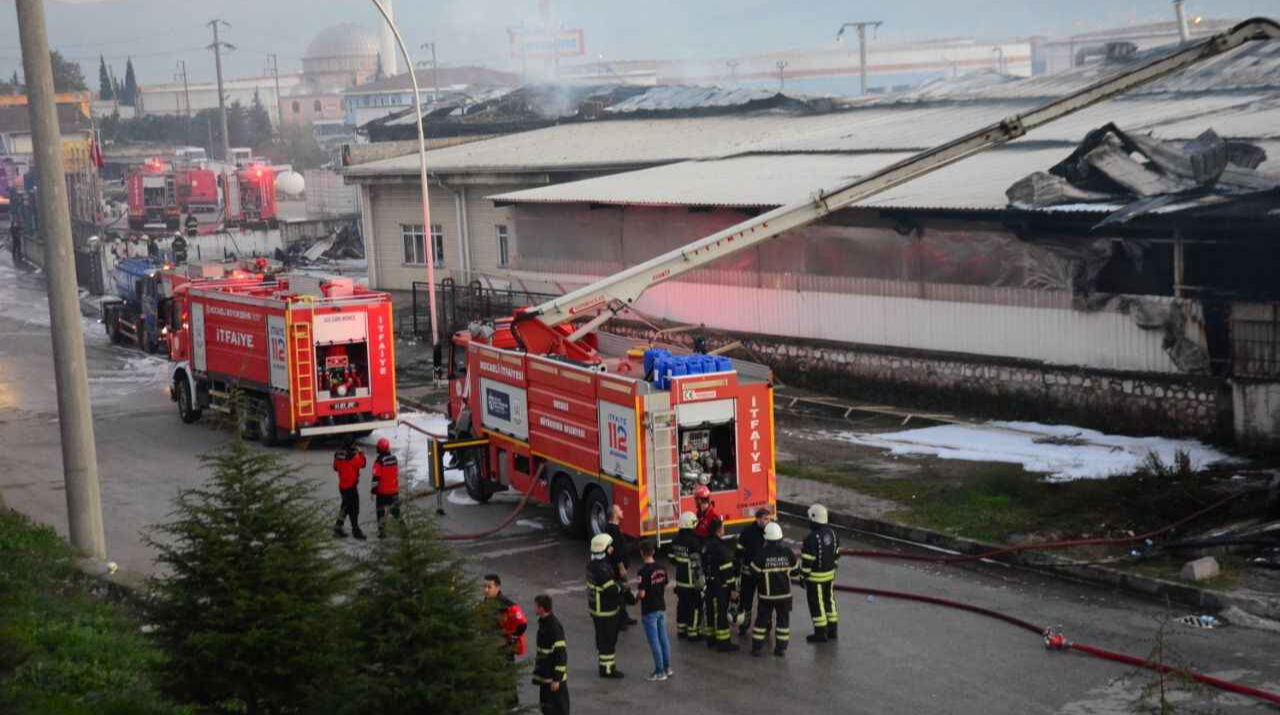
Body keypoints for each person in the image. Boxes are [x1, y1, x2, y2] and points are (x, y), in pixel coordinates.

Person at [750, 521, 797, 658]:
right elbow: (795, 571)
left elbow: (754, 572)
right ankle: (781, 648)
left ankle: (757, 648)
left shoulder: (762, 553)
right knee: (783, 621)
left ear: (766, 537)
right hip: (784, 595)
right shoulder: (787, 552)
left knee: (762, 621)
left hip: (766, 596)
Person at [484, 573, 528, 709]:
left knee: (507, 679)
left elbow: (522, 623)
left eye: (489, 587)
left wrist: (510, 640)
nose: (485, 590)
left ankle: (512, 707)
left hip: (503, 650)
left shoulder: (506, 604)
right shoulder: (486, 602)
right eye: (484, 586)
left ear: (497, 587)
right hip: (490, 647)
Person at [801, 503, 840, 643]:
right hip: (830, 576)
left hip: (815, 578)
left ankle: (820, 633)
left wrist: (803, 577)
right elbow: (837, 554)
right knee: (829, 601)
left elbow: (807, 562)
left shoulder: (810, 538)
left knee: (817, 604)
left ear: (814, 518)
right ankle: (832, 630)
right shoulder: (833, 534)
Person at [586, 533, 624, 678]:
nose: (612, 549)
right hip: (606, 610)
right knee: (608, 640)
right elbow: (611, 590)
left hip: (597, 609)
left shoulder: (592, 565)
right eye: (610, 547)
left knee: (603, 640)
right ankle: (608, 670)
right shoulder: (602, 569)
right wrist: (621, 588)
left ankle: (605, 666)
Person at [702, 518, 740, 652]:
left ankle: (711, 639)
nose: (724, 530)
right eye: (723, 528)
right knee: (722, 613)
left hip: (709, 583)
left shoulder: (706, 545)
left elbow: (703, 565)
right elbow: (727, 570)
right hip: (721, 585)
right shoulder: (722, 548)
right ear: (719, 530)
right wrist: (733, 588)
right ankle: (723, 643)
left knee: (710, 611)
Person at [635, 540, 672, 681]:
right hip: (661, 606)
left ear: (642, 553)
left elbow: (642, 593)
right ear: (653, 552)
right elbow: (666, 583)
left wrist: (636, 598)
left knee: (654, 641)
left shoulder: (643, 572)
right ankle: (667, 668)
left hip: (649, 609)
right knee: (664, 639)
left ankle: (659, 671)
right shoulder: (662, 568)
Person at [735, 507, 772, 636]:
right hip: (748, 574)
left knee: (765, 602)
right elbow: (738, 553)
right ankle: (744, 625)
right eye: (765, 519)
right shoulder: (747, 532)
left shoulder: (771, 531)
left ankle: (766, 625)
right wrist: (736, 573)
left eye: (769, 519)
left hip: (763, 575)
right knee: (746, 602)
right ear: (757, 519)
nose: (768, 521)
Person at [669, 511, 704, 641]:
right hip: (691, 582)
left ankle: (681, 630)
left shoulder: (675, 539)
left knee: (682, 605)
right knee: (695, 606)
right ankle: (693, 633)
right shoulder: (694, 541)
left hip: (680, 580)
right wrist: (700, 583)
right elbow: (697, 563)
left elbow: (671, 559)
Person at [532, 594, 570, 715]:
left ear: (541, 608)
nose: (534, 608)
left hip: (553, 681)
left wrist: (557, 679)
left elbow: (561, 654)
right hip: (546, 678)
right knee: (547, 709)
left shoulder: (553, 627)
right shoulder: (544, 623)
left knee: (557, 710)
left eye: (535, 606)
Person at [605, 504, 637, 629]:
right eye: (619, 510)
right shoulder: (612, 529)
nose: (622, 511)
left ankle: (624, 617)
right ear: (614, 514)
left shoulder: (613, 528)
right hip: (617, 568)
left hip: (619, 566)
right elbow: (616, 550)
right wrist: (621, 567)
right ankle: (620, 621)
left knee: (623, 592)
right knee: (619, 593)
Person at [331, 438, 367, 540]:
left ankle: (338, 528)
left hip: (342, 486)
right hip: (351, 487)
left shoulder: (338, 455)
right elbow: (363, 464)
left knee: (345, 507)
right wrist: (361, 453)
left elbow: (335, 467)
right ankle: (356, 530)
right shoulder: (353, 457)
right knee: (354, 509)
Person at [370, 437, 401, 538]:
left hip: (382, 492)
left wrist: (373, 491)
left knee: (380, 512)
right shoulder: (394, 459)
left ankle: (382, 532)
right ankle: (404, 530)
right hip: (394, 491)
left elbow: (376, 478)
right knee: (396, 512)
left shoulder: (379, 462)